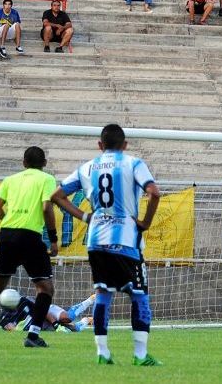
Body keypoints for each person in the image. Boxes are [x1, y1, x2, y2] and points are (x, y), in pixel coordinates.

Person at [51, 124, 162, 365]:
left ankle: (102, 353)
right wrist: (145, 223)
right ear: (125, 145)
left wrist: (85, 217)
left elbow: (56, 196)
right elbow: (154, 193)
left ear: (100, 145)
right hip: (126, 241)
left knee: (103, 293)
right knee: (139, 295)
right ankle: (140, 355)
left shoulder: (87, 167)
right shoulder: (133, 164)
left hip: (96, 241)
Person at [0, 147, 58, 349]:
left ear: (23, 163)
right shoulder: (47, 179)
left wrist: (9, 221)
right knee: (45, 288)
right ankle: (33, 336)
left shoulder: (10, 180)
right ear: (44, 163)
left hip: (7, 235)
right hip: (30, 237)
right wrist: (53, 239)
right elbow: (46, 208)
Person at [0, 292, 95, 333]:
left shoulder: (24, 301)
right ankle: (87, 320)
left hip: (47, 312)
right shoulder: (4, 319)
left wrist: (56, 325)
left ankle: (90, 300)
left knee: (68, 317)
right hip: (40, 325)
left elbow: (42, 310)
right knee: (75, 329)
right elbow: (12, 330)